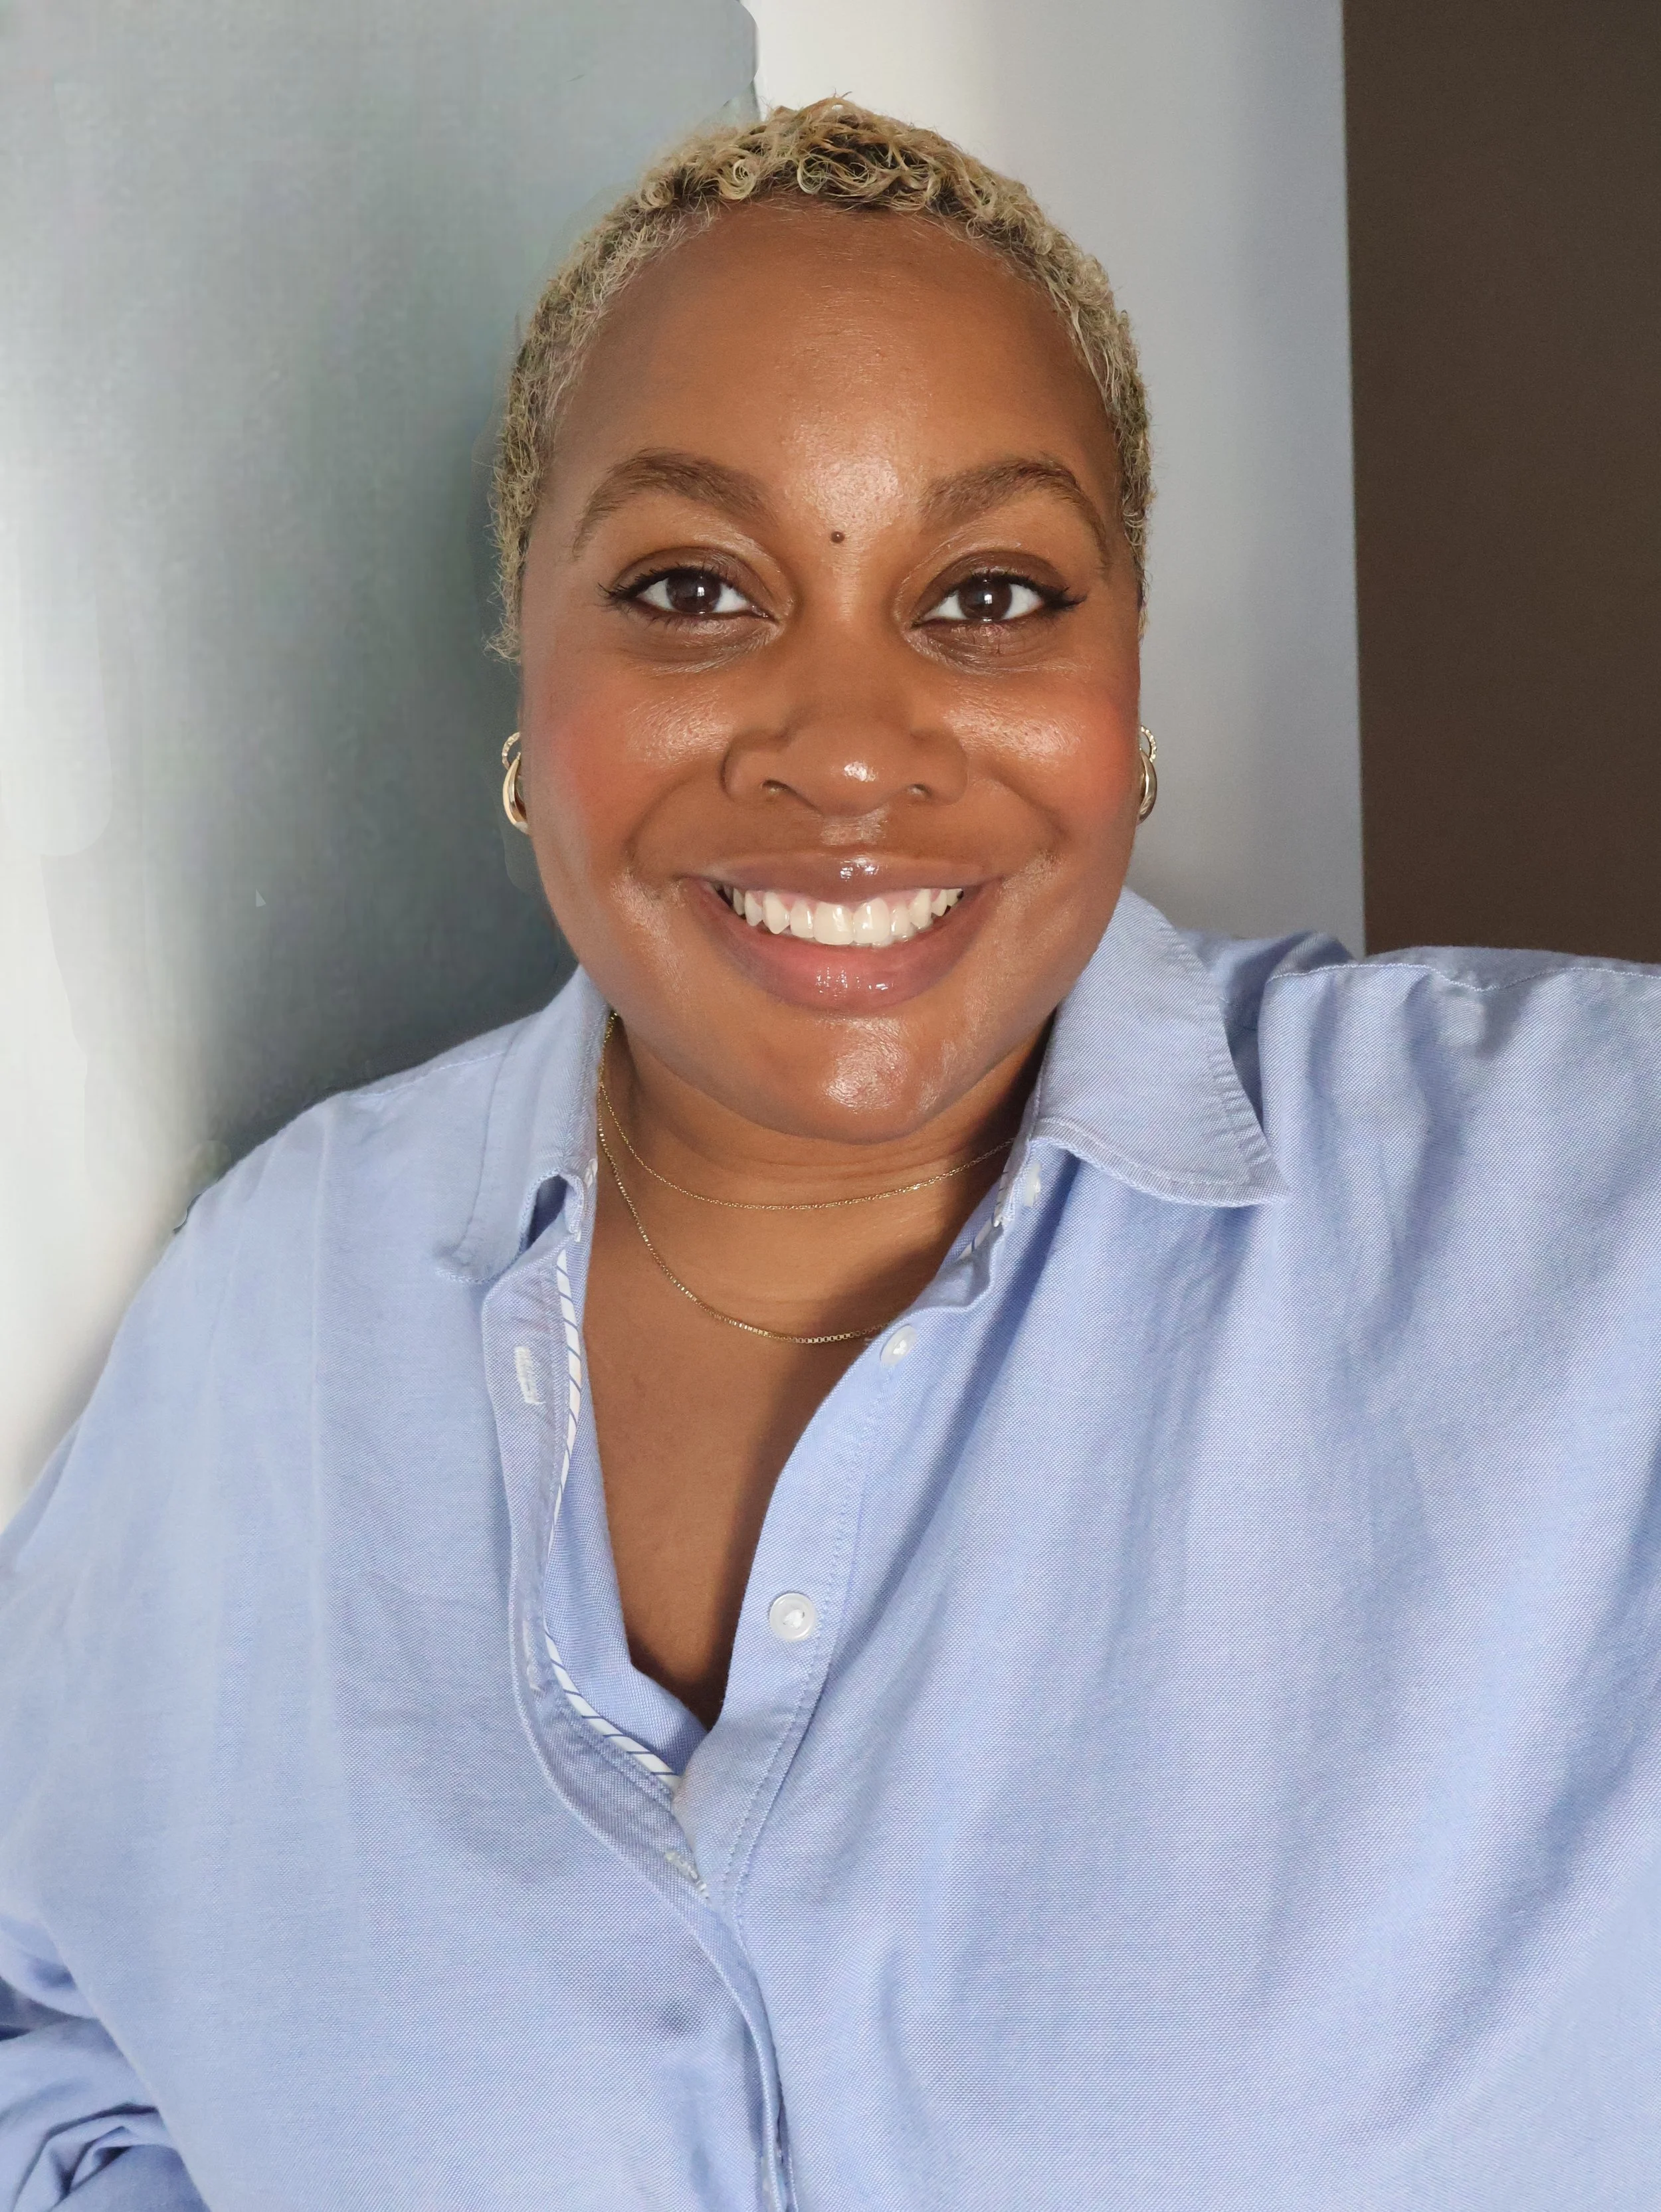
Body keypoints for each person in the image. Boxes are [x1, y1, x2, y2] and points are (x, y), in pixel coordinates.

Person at [3, 98, 1660, 2212]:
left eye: (989, 594)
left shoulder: (1568, 1196)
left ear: (1125, 684)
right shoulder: (266, 1302)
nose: (850, 751)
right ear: (527, 673)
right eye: (693, 589)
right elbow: (54, 2051)